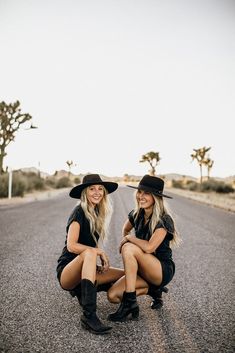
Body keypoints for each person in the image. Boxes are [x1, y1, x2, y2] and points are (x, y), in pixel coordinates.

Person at [56, 174, 124, 335]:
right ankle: (89, 316)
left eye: (100, 189)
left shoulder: (97, 212)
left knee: (125, 275)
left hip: (87, 267)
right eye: (92, 189)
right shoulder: (79, 211)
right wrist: (98, 251)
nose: (97, 192)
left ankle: (146, 295)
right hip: (68, 272)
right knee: (89, 252)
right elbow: (71, 246)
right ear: (85, 192)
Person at [107, 174, 180, 322]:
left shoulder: (164, 219)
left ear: (156, 197)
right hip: (143, 269)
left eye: (146, 193)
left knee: (128, 247)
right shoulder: (137, 214)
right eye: (140, 192)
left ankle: (129, 304)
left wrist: (130, 239)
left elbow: (149, 247)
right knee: (113, 296)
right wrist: (128, 237)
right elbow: (125, 229)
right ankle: (153, 290)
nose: (141, 196)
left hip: (160, 270)